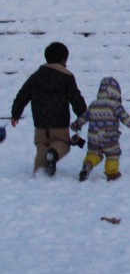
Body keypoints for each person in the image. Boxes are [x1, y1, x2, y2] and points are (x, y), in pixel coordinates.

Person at [10, 41, 87, 176]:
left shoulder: (37, 76)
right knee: (62, 143)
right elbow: (75, 97)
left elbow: (23, 94)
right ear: (64, 59)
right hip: (59, 122)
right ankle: (53, 154)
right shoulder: (66, 76)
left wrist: (16, 114)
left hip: (40, 121)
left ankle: (40, 170)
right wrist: (82, 113)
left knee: (41, 145)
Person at [70, 77, 130, 182]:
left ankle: (88, 164)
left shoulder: (94, 104)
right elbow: (126, 119)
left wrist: (76, 125)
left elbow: (84, 117)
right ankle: (112, 173)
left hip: (93, 137)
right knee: (113, 154)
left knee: (94, 153)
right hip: (109, 137)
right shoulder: (115, 105)